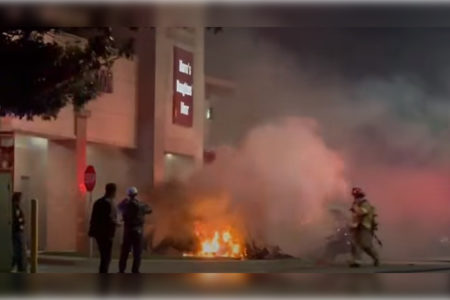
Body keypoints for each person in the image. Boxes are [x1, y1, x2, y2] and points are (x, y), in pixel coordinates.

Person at [118, 187, 152, 273]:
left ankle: (121, 270)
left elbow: (119, 207)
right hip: (138, 231)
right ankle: (135, 270)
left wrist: (123, 201)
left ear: (128, 195)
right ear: (136, 194)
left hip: (128, 231)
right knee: (137, 253)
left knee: (125, 252)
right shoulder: (141, 205)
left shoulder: (126, 204)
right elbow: (149, 210)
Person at [88, 183, 118, 273]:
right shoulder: (110, 203)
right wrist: (118, 223)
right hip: (107, 233)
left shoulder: (98, 202)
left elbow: (93, 217)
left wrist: (92, 230)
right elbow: (110, 218)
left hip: (98, 233)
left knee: (103, 255)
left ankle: (102, 272)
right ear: (113, 191)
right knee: (106, 257)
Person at [349, 187, 380, 267]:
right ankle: (356, 261)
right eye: (355, 196)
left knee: (365, 245)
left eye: (357, 196)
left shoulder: (365, 203)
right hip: (357, 226)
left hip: (365, 226)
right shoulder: (356, 204)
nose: (355, 198)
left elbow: (362, 212)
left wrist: (355, 208)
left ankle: (376, 258)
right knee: (355, 244)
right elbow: (354, 216)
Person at [11, 192, 27, 273]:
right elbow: (18, 219)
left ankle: (19, 267)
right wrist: (21, 223)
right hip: (17, 232)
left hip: (17, 231)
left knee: (18, 251)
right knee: (19, 251)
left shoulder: (16, 207)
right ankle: (21, 268)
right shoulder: (15, 207)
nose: (21, 200)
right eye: (20, 198)